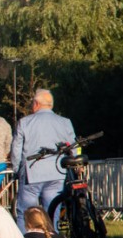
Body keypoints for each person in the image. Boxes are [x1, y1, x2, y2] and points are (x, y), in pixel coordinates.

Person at [10, 89, 76, 230]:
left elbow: (16, 150)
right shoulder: (65, 122)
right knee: (53, 212)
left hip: (32, 172)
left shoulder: (24, 122)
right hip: (57, 172)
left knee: (25, 213)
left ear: (36, 104)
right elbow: (73, 148)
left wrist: (16, 170)